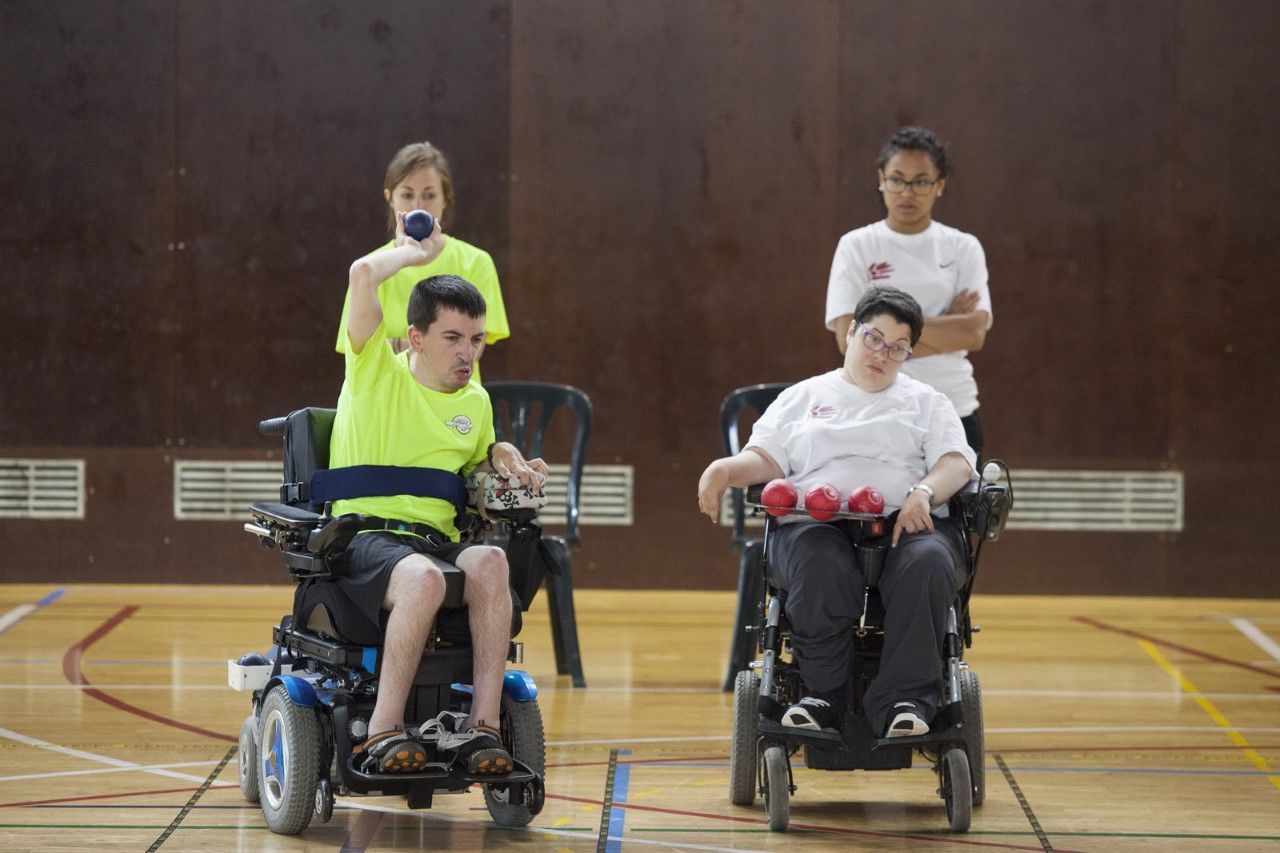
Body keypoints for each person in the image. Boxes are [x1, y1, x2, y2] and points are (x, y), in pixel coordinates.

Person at [698, 286, 975, 738]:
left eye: (898, 347)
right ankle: (823, 696)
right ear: (850, 332)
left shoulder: (928, 402)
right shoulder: (802, 397)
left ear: (909, 354)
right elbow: (766, 458)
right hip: (815, 523)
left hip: (903, 521)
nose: (882, 354)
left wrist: (924, 492)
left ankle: (906, 700)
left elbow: (957, 463)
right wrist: (724, 469)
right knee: (819, 562)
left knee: (928, 561)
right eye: (874, 338)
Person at [330, 210, 547, 775]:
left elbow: (476, 473)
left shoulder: (476, 401)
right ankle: (382, 731)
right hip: (364, 538)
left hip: (433, 539)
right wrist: (413, 253)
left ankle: (483, 728)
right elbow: (361, 274)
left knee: (492, 562)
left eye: (475, 340)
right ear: (416, 338)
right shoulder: (374, 370)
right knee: (425, 579)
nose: (466, 353)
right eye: (452, 339)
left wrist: (504, 458)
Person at [825, 126, 991, 457]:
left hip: (953, 405)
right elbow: (848, 340)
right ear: (881, 179)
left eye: (921, 182)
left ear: (939, 185)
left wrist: (882, 339)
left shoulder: (963, 247)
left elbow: (973, 333)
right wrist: (947, 327)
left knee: (956, 492)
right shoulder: (856, 245)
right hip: (876, 408)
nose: (907, 192)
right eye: (897, 179)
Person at [335, 141, 509, 378]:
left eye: (429, 195)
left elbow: (470, 350)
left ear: (445, 198)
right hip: (390, 394)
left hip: (455, 397)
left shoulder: (476, 262)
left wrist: (397, 345)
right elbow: (363, 353)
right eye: (407, 195)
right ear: (390, 198)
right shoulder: (372, 268)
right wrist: (440, 344)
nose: (418, 206)